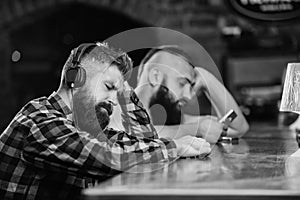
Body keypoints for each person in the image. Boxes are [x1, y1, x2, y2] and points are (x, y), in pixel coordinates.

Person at [0, 42, 211, 200]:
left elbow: (143, 141)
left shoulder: (86, 126)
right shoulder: (39, 119)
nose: (114, 102)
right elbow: (104, 157)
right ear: (76, 79)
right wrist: (176, 147)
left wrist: (122, 89)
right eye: (108, 87)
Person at [110, 45, 249, 143]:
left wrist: (206, 78)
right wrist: (196, 129)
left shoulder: (176, 121)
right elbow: (130, 136)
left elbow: (238, 127)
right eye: (182, 83)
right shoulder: (115, 104)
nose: (189, 96)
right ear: (155, 77)